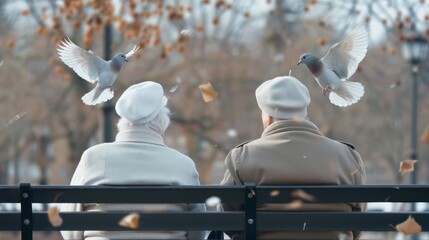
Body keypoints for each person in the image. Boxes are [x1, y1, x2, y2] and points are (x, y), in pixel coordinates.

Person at [219, 76, 366, 240]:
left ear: (268, 117)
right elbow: (357, 223)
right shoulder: (347, 156)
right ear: (303, 112)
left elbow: (228, 220)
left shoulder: (243, 157)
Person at [61, 81, 206, 240]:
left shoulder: (93, 158)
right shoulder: (183, 164)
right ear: (163, 123)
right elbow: (197, 232)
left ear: (122, 123)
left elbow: (71, 230)